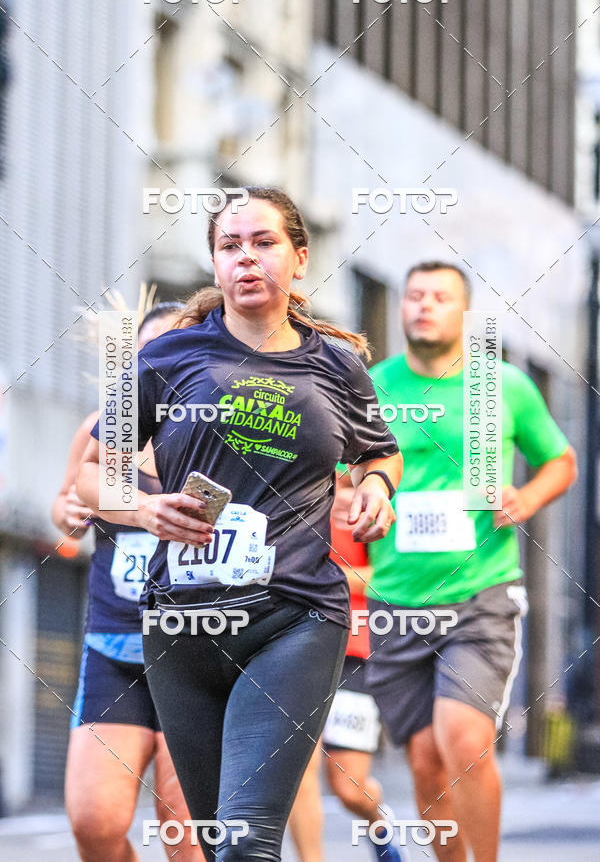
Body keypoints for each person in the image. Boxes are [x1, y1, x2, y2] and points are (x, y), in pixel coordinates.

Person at [76, 186, 403, 861]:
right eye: (230, 247)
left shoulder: (337, 364)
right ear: (215, 264)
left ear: (300, 258)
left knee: (245, 844)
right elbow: (91, 475)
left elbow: (380, 452)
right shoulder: (167, 359)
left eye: (263, 243)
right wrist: (141, 508)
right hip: (182, 626)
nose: (246, 259)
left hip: (296, 616)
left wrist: (376, 487)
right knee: (219, 842)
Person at [354, 260, 576, 861]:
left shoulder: (501, 385)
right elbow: (340, 472)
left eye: (440, 297)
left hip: (482, 592)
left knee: (464, 739)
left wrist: (525, 497)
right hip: (396, 596)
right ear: (401, 309)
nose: (424, 305)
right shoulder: (371, 385)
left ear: (465, 313)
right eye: (414, 296)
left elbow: (560, 460)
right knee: (426, 761)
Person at [53, 299, 204, 862]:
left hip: (200, 646)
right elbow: (64, 508)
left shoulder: (219, 433)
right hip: (115, 644)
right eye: (149, 350)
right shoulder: (102, 432)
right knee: (94, 821)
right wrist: (67, 514)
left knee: (185, 832)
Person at [288, 471, 408, 862]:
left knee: (349, 787)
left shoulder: (376, 513)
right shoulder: (293, 506)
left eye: (349, 487)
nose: (341, 497)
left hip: (354, 650)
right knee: (297, 771)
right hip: (293, 644)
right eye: (333, 487)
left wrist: (327, 578)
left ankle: (378, 822)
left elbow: (392, 579)